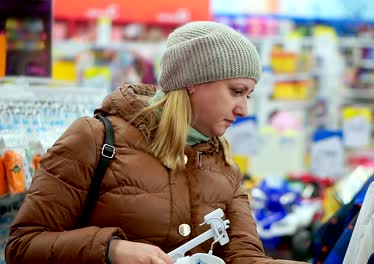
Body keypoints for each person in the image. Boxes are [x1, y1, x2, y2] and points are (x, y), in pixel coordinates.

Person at [6, 21, 308, 264]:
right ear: (193, 81)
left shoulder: (223, 165)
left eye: (248, 95)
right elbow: (23, 246)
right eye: (236, 91)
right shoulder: (94, 140)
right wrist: (112, 250)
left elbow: (242, 256)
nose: (243, 110)